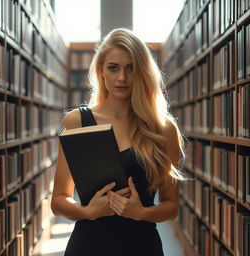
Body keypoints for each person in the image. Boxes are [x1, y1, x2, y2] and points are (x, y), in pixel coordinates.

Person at [51, 28, 186, 256]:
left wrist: (141, 212)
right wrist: (86, 211)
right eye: (113, 68)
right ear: (101, 70)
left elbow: (171, 206)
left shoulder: (163, 128)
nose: (122, 77)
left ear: (142, 72)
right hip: (88, 246)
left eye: (130, 68)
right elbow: (58, 200)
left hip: (142, 246)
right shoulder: (76, 122)